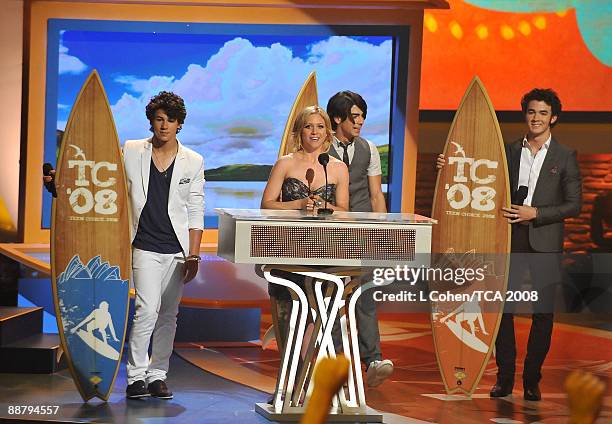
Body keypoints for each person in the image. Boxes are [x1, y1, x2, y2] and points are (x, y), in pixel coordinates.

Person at [46, 91, 205, 400]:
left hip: (177, 249)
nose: (164, 126)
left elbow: (196, 209)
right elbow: (100, 176)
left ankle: (158, 374)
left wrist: (194, 253)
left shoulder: (194, 161)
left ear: (179, 124)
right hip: (143, 244)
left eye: (170, 120)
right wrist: (61, 184)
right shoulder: (132, 150)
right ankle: (136, 376)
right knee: (147, 310)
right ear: (151, 121)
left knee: (168, 315)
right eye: (159, 119)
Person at [437, 88, 582, 401]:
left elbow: (574, 205)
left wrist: (537, 213)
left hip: (545, 242)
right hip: (508, 238)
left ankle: (531, 379)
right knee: (502, 308)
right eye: (531, 112)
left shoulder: (565, 156)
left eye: (543, 113)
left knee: (543, 313)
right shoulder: (508, 151)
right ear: (525, 115)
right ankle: (504, 377)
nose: (536, 118)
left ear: (553, 118)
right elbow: (477, 173)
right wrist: (449, 166)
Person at [261, 106, 349, 345]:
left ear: (327, 133)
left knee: (330, 318)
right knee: (289, 321)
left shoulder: (338, 168)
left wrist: (325, 206)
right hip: (288, 248)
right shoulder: (285, 163)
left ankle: (335, 376)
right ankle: (292, 376)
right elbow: (266, 204)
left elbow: (343, 210)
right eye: (309, 126)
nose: (314, 132)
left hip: (325, 250)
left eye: (320, 126)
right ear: (299, 131)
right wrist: (299, 203)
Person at [326, 91, 394, 387]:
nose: (361, 121)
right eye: (355, 116)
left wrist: (383, 234)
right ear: (337, 118)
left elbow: (376, 194)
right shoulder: (320, 147)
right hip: (327, 235)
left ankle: (373, 359)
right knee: (328, 297)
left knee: (365, 295)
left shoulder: (369, 149)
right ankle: (339, 359)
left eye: (363, 115)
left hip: (362, 235)